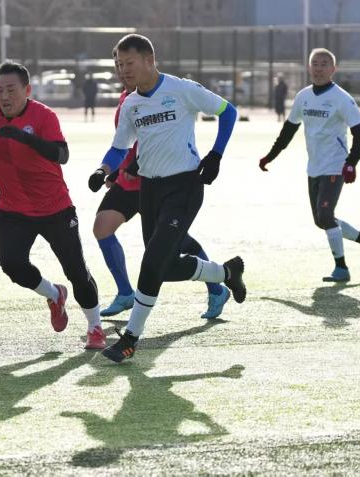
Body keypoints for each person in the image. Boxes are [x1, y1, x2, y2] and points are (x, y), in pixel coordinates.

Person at [92, 34, 245, 363]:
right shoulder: (131, 104)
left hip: (184, 187)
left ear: (149, 60)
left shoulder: (182, 89)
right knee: (164, 266)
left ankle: (130, 339)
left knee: (151, 263)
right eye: (119, 64)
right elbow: (119, 148)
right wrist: (103, 169)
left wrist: (216, 155)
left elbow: (228, 111)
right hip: (149, 190)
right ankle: (225, 273)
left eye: (129, 63)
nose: (123, 70)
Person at [0, 61, 106, 350]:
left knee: (76, 271)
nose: (4, 96)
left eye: (11, 90)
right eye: (0, 90)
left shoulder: (44, 116)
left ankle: (95, 327)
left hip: (55, 208)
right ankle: (54, 294)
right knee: (12, 265)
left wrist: (26, 138)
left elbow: (62, 154)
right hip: (13, 209)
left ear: (27, 90)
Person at [258, 48, 360, 283]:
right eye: (315, 63)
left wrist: (351, 163)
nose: (319, 68)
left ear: (333, 69)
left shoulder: (342, 98)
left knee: (325, 216)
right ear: (309, 67)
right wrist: (270, 156)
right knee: (321, 220)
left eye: (324, 64)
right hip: (314, 166)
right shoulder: (303, 96)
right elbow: (289, 130)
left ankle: (341, 268)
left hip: (336, 165)